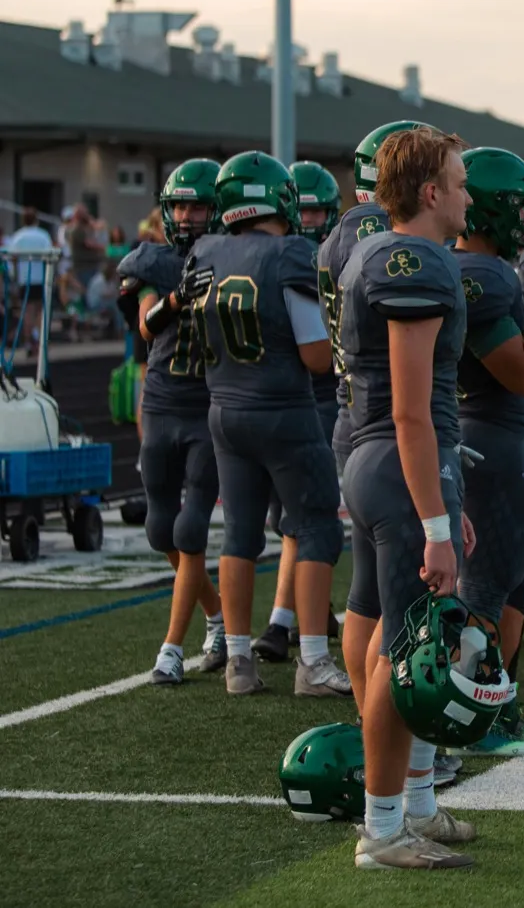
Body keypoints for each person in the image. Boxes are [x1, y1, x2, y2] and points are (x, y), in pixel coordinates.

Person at [341, 127, 479, 868]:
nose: (467, 195)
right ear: (429, 193)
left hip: (382, 467)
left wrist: (444, 508)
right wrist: (434, 519)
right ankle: (383, 827)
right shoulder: (413, 258)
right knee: (407, 654)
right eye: (458, 183)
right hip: (398, 466)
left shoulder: (370, 248)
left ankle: (414, 807)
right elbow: (411, 409)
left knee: (390, 642)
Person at [189, 152, 347, 696]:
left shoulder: (204, 251)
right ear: (279, 199)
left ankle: (237, 661)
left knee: (238, 534)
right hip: (283, 411)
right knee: (317, 527)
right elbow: (316, 358)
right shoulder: (289, 254)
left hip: (223, 410)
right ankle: (313, 661)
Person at [452, 147, 524, 750]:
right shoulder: (486, 275)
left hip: (502, 435)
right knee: (488, 587)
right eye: (519, 207)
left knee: (519, 578)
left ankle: (497, 706)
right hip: (486, 439)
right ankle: (472, 717)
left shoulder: (483, 270)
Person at [319, 120, 432, 713]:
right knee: (393, 601)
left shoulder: (345, 232)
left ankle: (374, 722)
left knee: (369, 594)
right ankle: (387, 732)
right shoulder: (380, 236)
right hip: (383, 421)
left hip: (355, 415)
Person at [118, 160, 227, 686]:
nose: (186, 216)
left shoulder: (234, 259)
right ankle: (218, 613)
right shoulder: (153, 262)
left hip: (209, 405)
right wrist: (180, 296)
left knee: (190, 530)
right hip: (162, 402)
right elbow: (145, 324)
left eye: (197, 206)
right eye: (179, 205)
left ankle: (171, 649)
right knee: (161, 528)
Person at [255, 160, 346, 661]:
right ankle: (304, 616)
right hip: (285, 394)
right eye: (303, 213)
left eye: (318, 214)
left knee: (301, 516)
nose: (309, 224)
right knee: (289, 516)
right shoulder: (284, 258)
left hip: (324, 396)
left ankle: (281, 621)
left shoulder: (336, 253)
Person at [6, 206, 53, 356]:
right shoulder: (43, 235)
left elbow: (12, 258)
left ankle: (28, 342)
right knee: (39, 310)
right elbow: (50, 255)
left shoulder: (18, 236)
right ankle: (39, 341)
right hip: (40, 278)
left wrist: (14, 275)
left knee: (27, 312)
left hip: (24, 279)